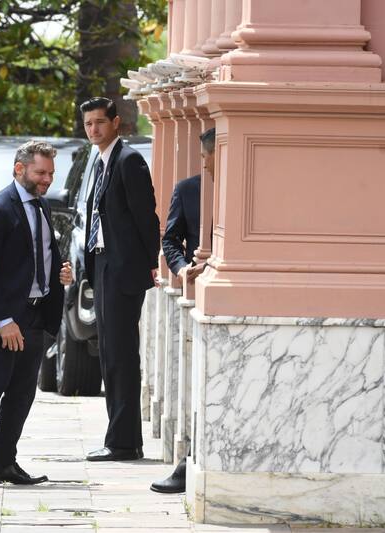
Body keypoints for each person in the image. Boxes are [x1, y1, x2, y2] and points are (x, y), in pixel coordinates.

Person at [0, 140, 73, 486]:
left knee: (22, 394)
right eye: (41, 173)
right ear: (19, 169)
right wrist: (4, 321)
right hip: (5, 318)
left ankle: (5, 462)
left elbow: (39, 256)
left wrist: (59, 274)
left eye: (51, 174)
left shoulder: (42, 206)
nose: (47, 180)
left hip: (35, 314)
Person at [81, 97, 160, 462]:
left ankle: (124, 442)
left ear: (115, 123)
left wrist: (148, 265)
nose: (93, 129)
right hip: (102, 265)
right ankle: (121, 438)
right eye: (88, 124)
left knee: (121, 356)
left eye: (99, 122)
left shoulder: (129, 161)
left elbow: (147, 217)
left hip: (123, 270)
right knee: (110, 354)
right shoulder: (99, 162)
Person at [151, 127, 215, 494]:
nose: (204, 164)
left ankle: (190, 463)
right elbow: (170, 239)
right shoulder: (188, 189)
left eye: (208, 158)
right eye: (203, 158)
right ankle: (187, 462)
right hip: (194, 296)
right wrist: (180, 268)